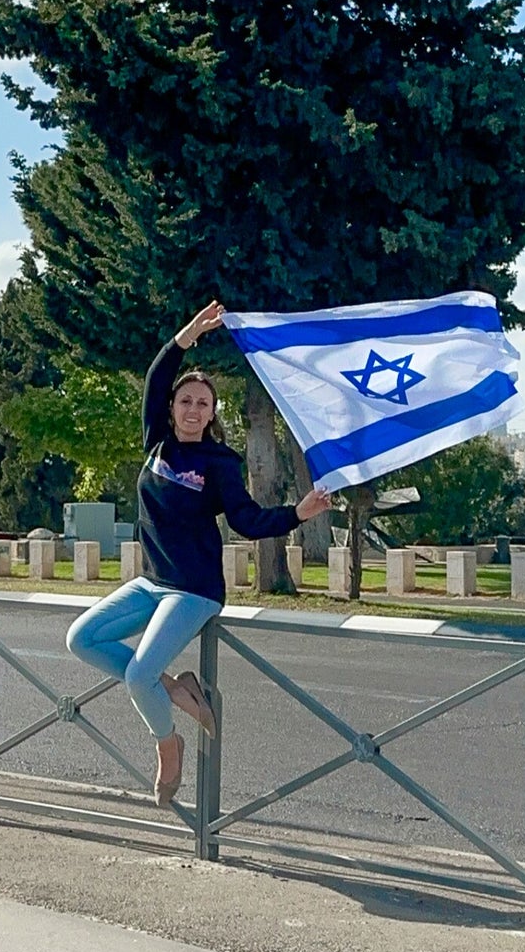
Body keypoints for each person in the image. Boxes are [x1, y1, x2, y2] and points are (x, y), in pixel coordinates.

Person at [66, 300, 331, 806]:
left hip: (194, 590)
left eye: (202, 405)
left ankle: (169, 746)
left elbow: (247, 521)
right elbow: (155, 374)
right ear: (172, 408)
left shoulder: (220, 462)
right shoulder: (157, 444)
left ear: (212, 415)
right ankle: (176, 687)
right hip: (152, 581)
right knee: (81, 639)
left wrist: (298, 513)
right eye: (185, 401)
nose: (192, 409)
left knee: (138, 675)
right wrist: (187, 334)